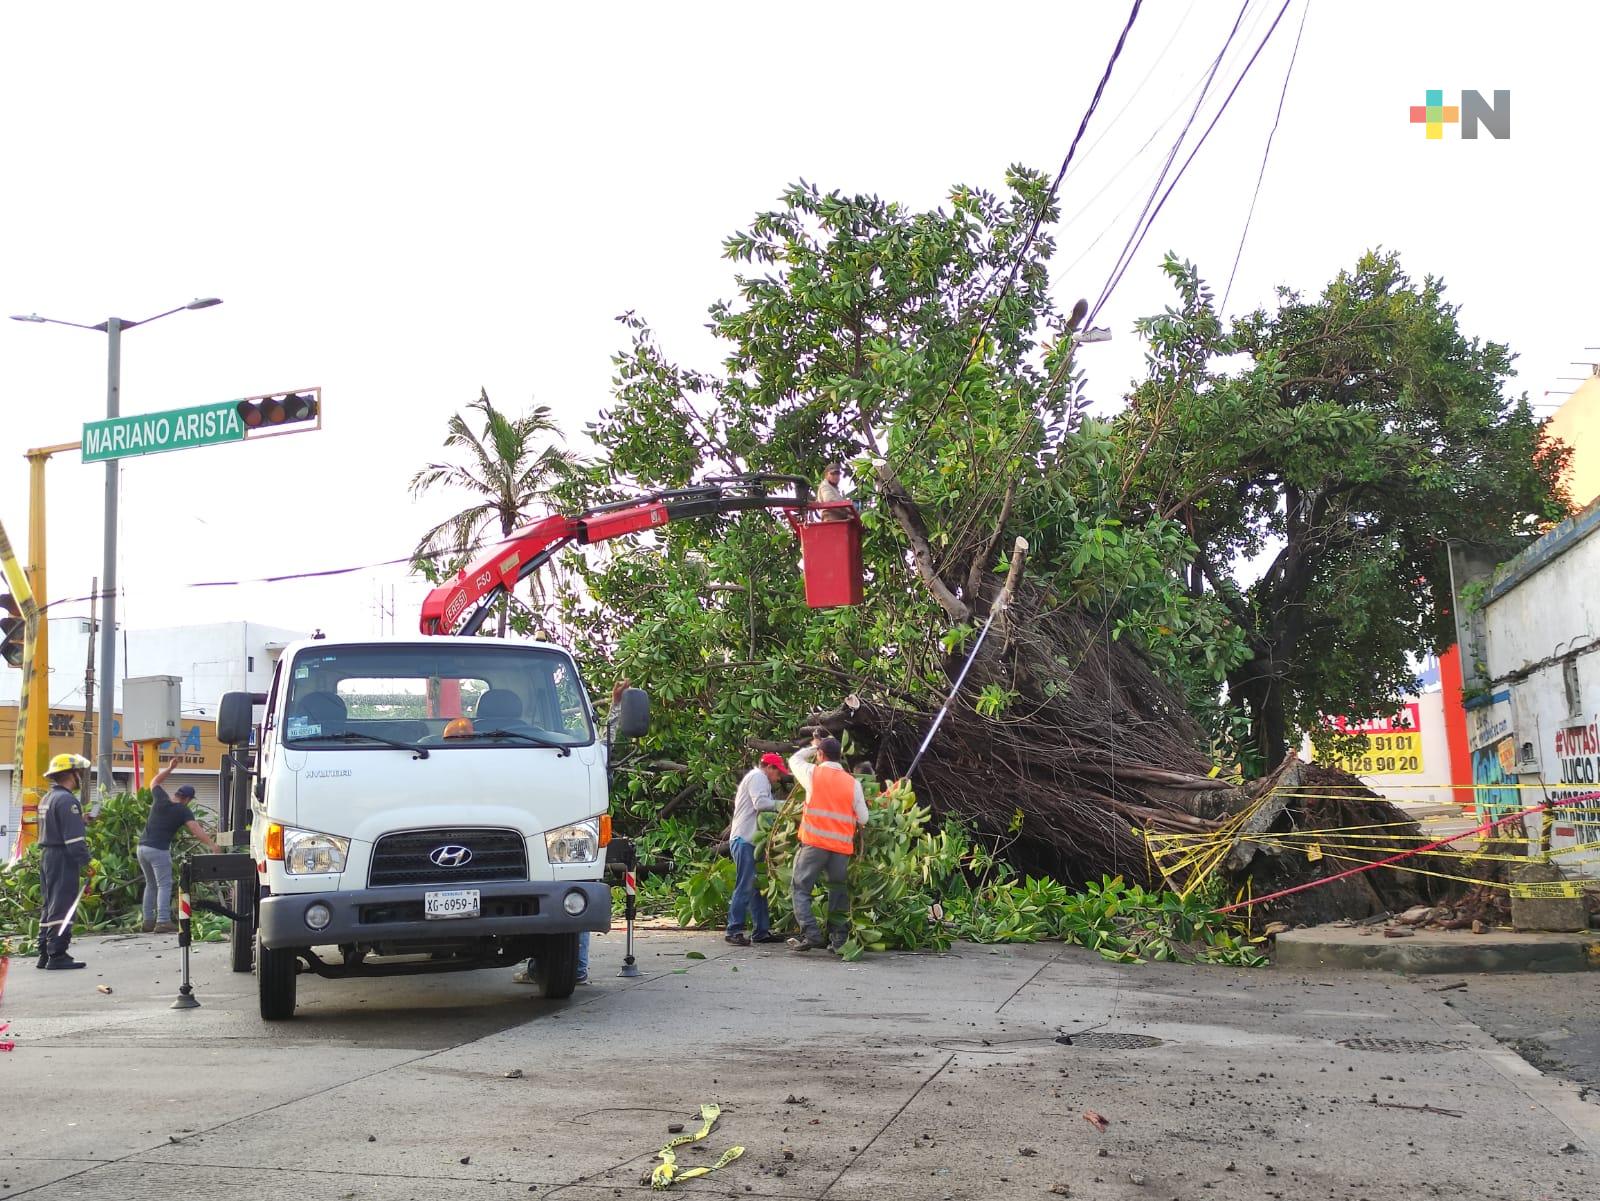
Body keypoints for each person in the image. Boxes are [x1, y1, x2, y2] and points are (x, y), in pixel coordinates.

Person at [513, 678, 630, 988]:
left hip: (559, 839)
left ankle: (571, 967)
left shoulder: (558, 750)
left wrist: (616, 708)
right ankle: (557, 966)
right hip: (531, 843)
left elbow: (602, 751)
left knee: (571, 898)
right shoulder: (515, 751)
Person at [787, 734, 868, 953]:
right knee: (837, 892)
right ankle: (839, 939)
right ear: (840, 757)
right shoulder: (852, 783)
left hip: (814, 845)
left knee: (801, 888)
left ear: (821, 755)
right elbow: (864, 818)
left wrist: (813, 747)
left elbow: (794, 760)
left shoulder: (813, 773)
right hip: (840, 850)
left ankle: (811, 934)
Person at [139, 756, 221, 934]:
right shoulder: (183, 810)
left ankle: (147, 921)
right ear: (188, 799)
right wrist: (212, 845)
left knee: (150, 884)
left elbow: (154, 781)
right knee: (164, 884)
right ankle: (162, 921)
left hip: (142, 848)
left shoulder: (161, 799)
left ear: (176, 794)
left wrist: (170, 768)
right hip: (158, 850)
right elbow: (195, 829)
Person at [725, 752, 790, 946]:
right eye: (778, 774)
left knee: (757, 887)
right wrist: (785, 805)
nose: (778, 778)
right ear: (769, 767)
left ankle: (761, 931)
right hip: (744, 839)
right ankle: (733, 930)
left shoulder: (759, 779)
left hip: (752, 841)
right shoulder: (758, 777)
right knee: (745, 884)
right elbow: (760, 804)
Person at [36, 753, 93, 970]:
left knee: (49, 904)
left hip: (47, 856)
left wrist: (81, 821)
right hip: (62, 858)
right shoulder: (68, 800)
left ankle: (44, 952)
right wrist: (87, 863)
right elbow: (74, 840)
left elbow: (56, 826)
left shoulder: (48, 798)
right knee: (63, 905)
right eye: (78, 772)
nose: (80, 776)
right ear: (70, 774)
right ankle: (57, 954)